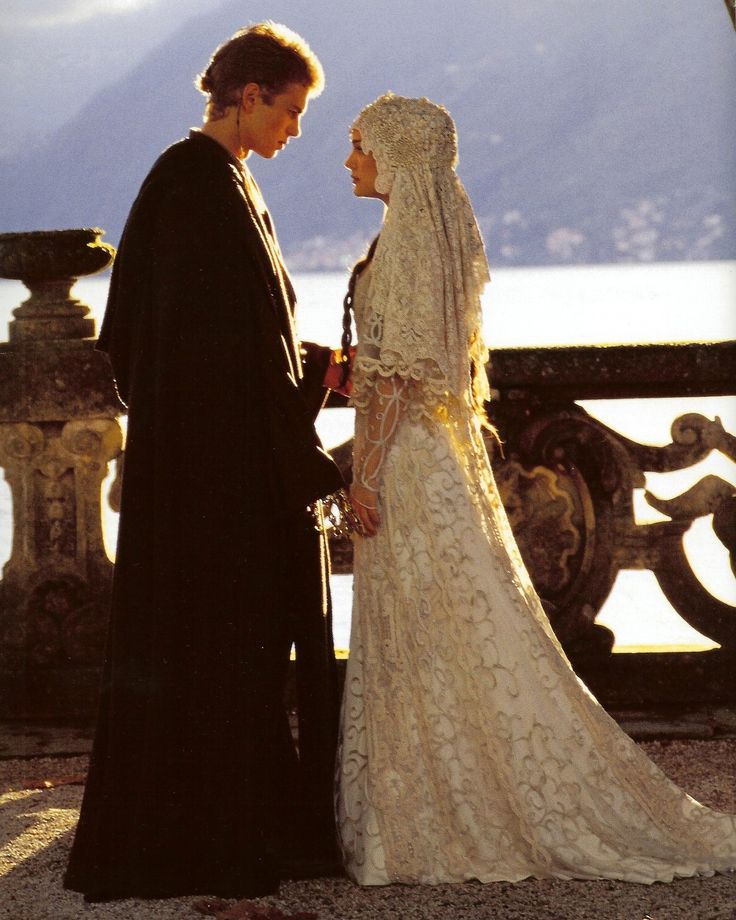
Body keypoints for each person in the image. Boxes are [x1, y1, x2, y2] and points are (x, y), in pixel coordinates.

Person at [336, 92, 736, 887]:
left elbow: (392, 379)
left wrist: (364, 474)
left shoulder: (408, 245)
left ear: (397, 156)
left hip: (409, 467)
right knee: (450, 628)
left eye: (358, 146)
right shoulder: (428, 241)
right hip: (436, 463)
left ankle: (434, 814)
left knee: (426, 626)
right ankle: (441, 799)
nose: (349, 161)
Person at [64, 23, 348, 902]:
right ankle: (194, 846)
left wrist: (311, 371)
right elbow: (195, 351)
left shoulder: (222, 182)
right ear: (250, 94)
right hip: (206, 483)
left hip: (217, 469)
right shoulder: (192, 185)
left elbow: (238, 341)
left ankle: (230, 834)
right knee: (216, 655)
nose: (296, 131)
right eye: (292, 111)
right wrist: (297, 438)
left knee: (231, 659)